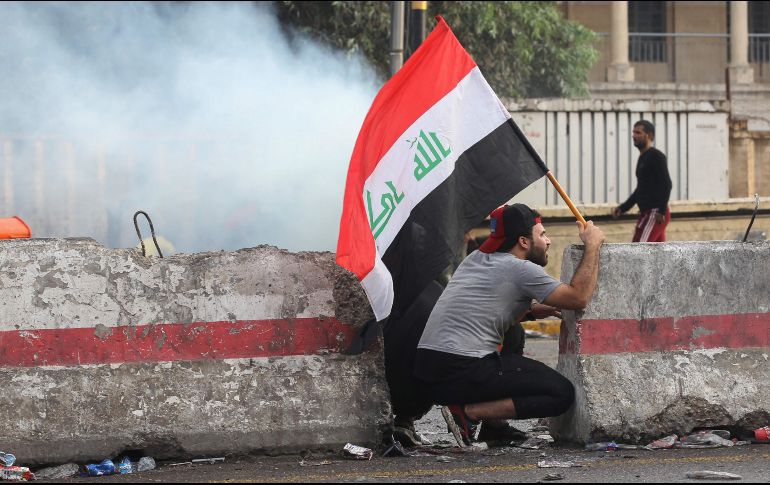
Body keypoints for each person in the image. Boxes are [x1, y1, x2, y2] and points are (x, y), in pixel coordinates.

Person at [413, 203, 605, 446]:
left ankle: (494, 428)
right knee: (560, 393)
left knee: (514, 335)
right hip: (462, 369)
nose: (548, 241)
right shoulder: (519, 269)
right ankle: (469, 413)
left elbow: (483, 311)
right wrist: (593, 245)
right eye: (542, 235)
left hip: (431, 371)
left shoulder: (477, 258)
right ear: (524, 242)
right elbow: (578, 297)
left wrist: (534, 312)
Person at [612, 120, 673, 242]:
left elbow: (667, 183)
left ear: (649, 136)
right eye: (633, 132)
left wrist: (661, 211)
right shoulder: (643, 158)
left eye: (638, 132)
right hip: (649, 212)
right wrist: (623, 208)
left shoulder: (656, 156)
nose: (634, 135)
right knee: (658, 256)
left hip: (654, 213)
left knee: (638, 252)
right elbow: (641, 189)